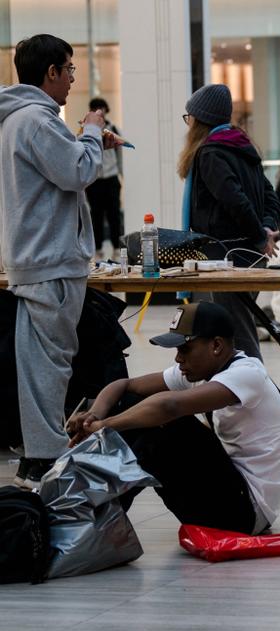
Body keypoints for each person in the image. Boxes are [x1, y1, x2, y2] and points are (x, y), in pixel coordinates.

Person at [0, 34, 119, 488]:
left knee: (37, 366)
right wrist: (91, 130)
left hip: (32, 258)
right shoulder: (37, 119)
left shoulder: (16, 118)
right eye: (68, 69)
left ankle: (38, 456)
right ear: (50, 72)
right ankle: (46, 456)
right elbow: (76, 172)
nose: (72, 78)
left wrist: (87, 143)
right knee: (50, 367)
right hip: (51, 260)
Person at [66, 302, 280, 535]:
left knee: (167, 424)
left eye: (185, 349)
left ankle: (94, 518)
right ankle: (89, 505)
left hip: (244, 514)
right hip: (222, 497)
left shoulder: (247, 373)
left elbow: (169, 406)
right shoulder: (201, 369)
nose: (178, 359)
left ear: (216, 345)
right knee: (134, 405)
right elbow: (124, 385)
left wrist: (105, 426)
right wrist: (94, 416)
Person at [179, 83, 280, 361]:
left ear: (199, 120)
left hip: (226, 257)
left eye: (189, 118)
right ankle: (235, 398)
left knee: (237, 337)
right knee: (233, 332)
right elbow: (269, 195)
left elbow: (235, 201)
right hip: (250, 255)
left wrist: (261, 236)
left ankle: (256, 396)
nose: (188, 125)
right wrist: (266, 228)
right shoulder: (243, 147)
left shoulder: (211, 153)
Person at [85, 97, 123, 259]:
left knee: (114, 214)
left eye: (103, 108)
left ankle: (117, 248)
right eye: (96, 109)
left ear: (107, 110)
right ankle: (98, 249)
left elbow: (120, 154)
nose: (100, 112)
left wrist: (121, 175)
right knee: (96, 215)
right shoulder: (85, 129)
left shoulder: (113, 128)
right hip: (94, 181)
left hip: (111, 178)